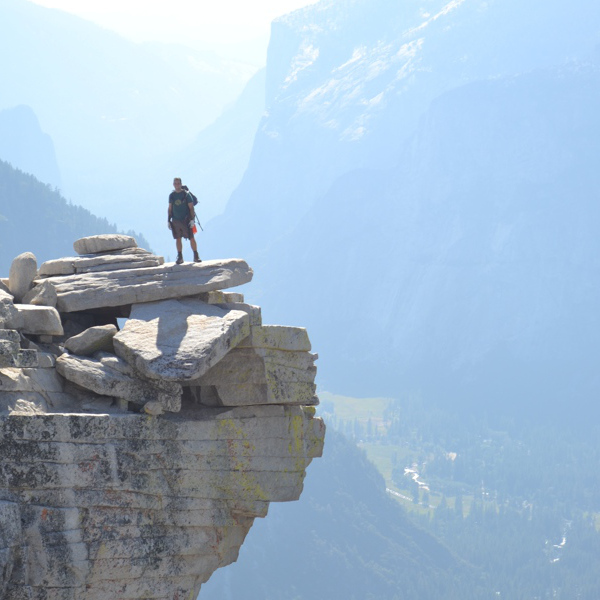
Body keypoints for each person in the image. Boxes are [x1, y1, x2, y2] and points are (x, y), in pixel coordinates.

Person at [168, 177, 200, 264]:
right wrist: (168, 220)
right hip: (175, 220)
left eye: (178, 183)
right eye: (175, 183)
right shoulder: (172, 196)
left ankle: (196, 256)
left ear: (181, 184)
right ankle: (180, 257)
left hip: (186, 220)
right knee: (178, 238)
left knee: (191, 238)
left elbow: (191, 208)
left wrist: (192, 220)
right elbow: (170, 208)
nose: (177, 185)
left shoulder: (186, 194)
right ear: (173, 184)